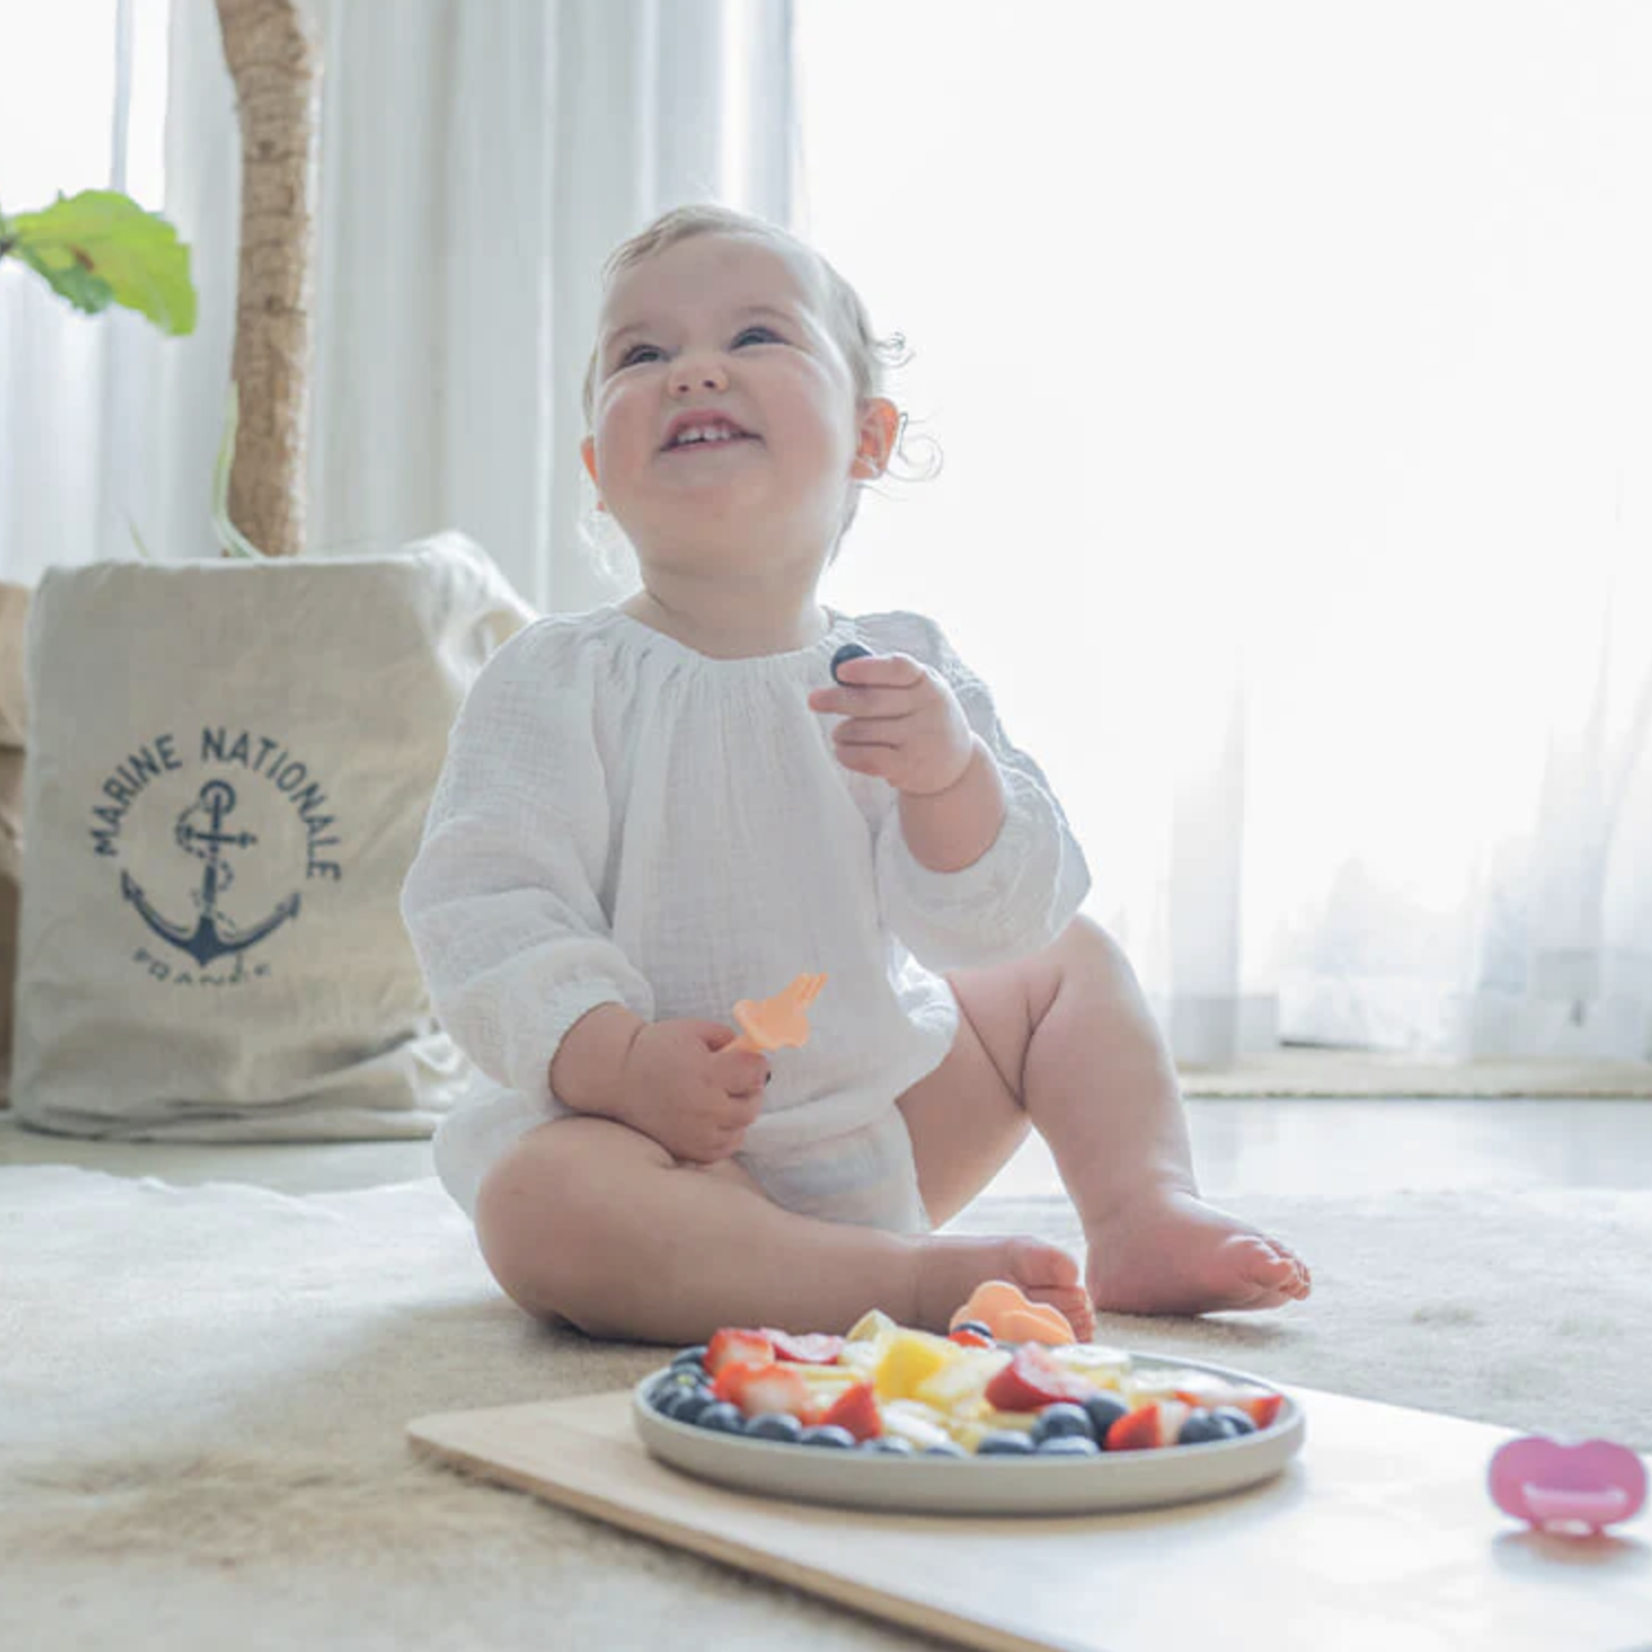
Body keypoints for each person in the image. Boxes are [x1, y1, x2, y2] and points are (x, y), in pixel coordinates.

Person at [400, 204, 1311, 1345]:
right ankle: (892, 1283)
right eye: (643, 354)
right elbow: (484, 906)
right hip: (651, 1149)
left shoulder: (899, 666)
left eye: (753, 338)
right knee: (538, 1208)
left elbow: (1000, 914)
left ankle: (1141, 1209)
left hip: (878, 1123)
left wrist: (949, 783)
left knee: (1062, 959)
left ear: (867, 439)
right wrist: (617, 1060)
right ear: (597, 469)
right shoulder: (557, 677)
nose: (692, 372)